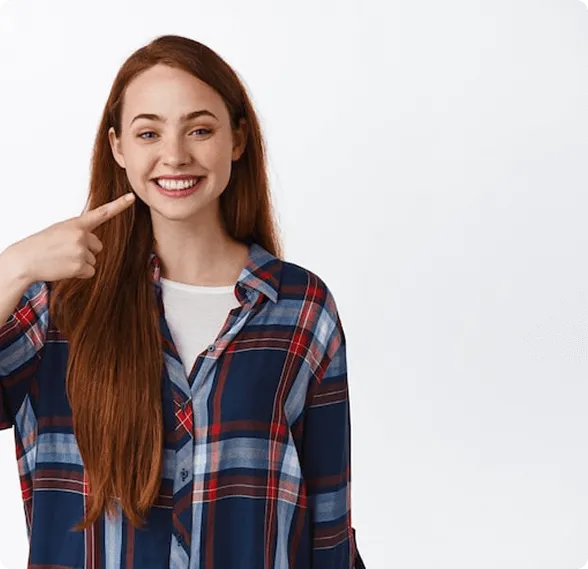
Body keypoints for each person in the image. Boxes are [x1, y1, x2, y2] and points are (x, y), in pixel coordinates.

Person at [0, 34, 365, 569]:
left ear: (236, 139)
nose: (174, 155)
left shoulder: (300, 308)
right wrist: (13, 266)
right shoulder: (59, 301)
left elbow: (328, 522)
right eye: (149, 132)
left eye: (199, 129)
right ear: (119, 146)